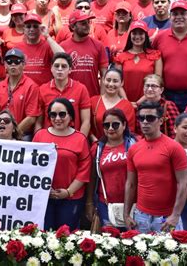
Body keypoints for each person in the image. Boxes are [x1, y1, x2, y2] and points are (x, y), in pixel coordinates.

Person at [124, 101, 187, 233]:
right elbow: (130, 183)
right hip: (140, 215)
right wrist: (126, 214)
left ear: (160, 120)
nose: (145, 122)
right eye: (141, 118)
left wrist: (175, 215)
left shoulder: (174, 147)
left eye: (150, 118)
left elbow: (184, 182)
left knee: (172, 253)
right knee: (139, 254)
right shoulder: (134, 149)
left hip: (167, 217)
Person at [33, 98, 91, 230]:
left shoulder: (80, 138)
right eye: (53, 114)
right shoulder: (39, 136)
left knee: (66, 239)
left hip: (71, 198)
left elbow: (84, 170)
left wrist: (68, 191)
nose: (57, 118)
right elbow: (32, 167)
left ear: (70, 116)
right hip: (44, 198)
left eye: (62, 114)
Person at [85, 108, 137, 227]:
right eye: (106, 125)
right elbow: (92, 178)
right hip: (106, 205)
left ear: (124, 125)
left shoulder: (135, 145)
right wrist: (89, 203)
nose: (110, 128)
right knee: (109, 242)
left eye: (115, 124)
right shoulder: (97, 148)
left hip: (134, 204)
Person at [37, 52, 91, 137]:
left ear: (70, 70)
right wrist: (40, 142)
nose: (60, 69)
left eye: (64, 66)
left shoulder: (81, 89)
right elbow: (38, 123)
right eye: (56, 66)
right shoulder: (42, 89)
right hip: (48, 141)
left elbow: (86, 122)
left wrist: (80, 141)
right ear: (51, 68)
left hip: (73, 139)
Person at [61, 10, 108, 97]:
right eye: (83, 23)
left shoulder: (98, 45)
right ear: (73, 26)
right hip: (69, 97)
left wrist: (102, 97)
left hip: (93, 96)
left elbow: (104, 74)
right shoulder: (63, 46)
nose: (87, 26)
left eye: (88, 22)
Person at [0, 48, 40, 137]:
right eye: (9, 61)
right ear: (5, 65)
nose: (13, 64)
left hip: (22, 134)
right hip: (0, 134)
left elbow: (31, 118)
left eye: (17, 61)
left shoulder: (31, 86)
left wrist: (13, 134)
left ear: (23, 65)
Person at [113, 21, 162, 103]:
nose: (137, 36)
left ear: (146, 35)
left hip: (149, 102)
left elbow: (158, 83)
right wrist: (127, 102)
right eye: (134, 33)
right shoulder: (121, 57)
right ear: (130, 35)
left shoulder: (155, 55)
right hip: (125, 102)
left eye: (141, 33)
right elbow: (118, 82)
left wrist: (139, 103)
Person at [90, 68, 135, 143]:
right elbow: (87, 125)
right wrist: (95, 141)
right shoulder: (94, 101)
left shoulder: (127, 106)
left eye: (115, 81)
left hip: (120, 149)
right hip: (96, 146)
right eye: (108, 80)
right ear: (103, 80)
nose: (111, 84)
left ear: (122, 83)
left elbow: (130, 131)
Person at [137, 74, 179, 139]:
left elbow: (175, 132)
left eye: (154, 86)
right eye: (147, 86)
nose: (150, 89)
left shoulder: (168, 106)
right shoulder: (140, 107)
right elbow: (138, 132)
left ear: (161, 90)